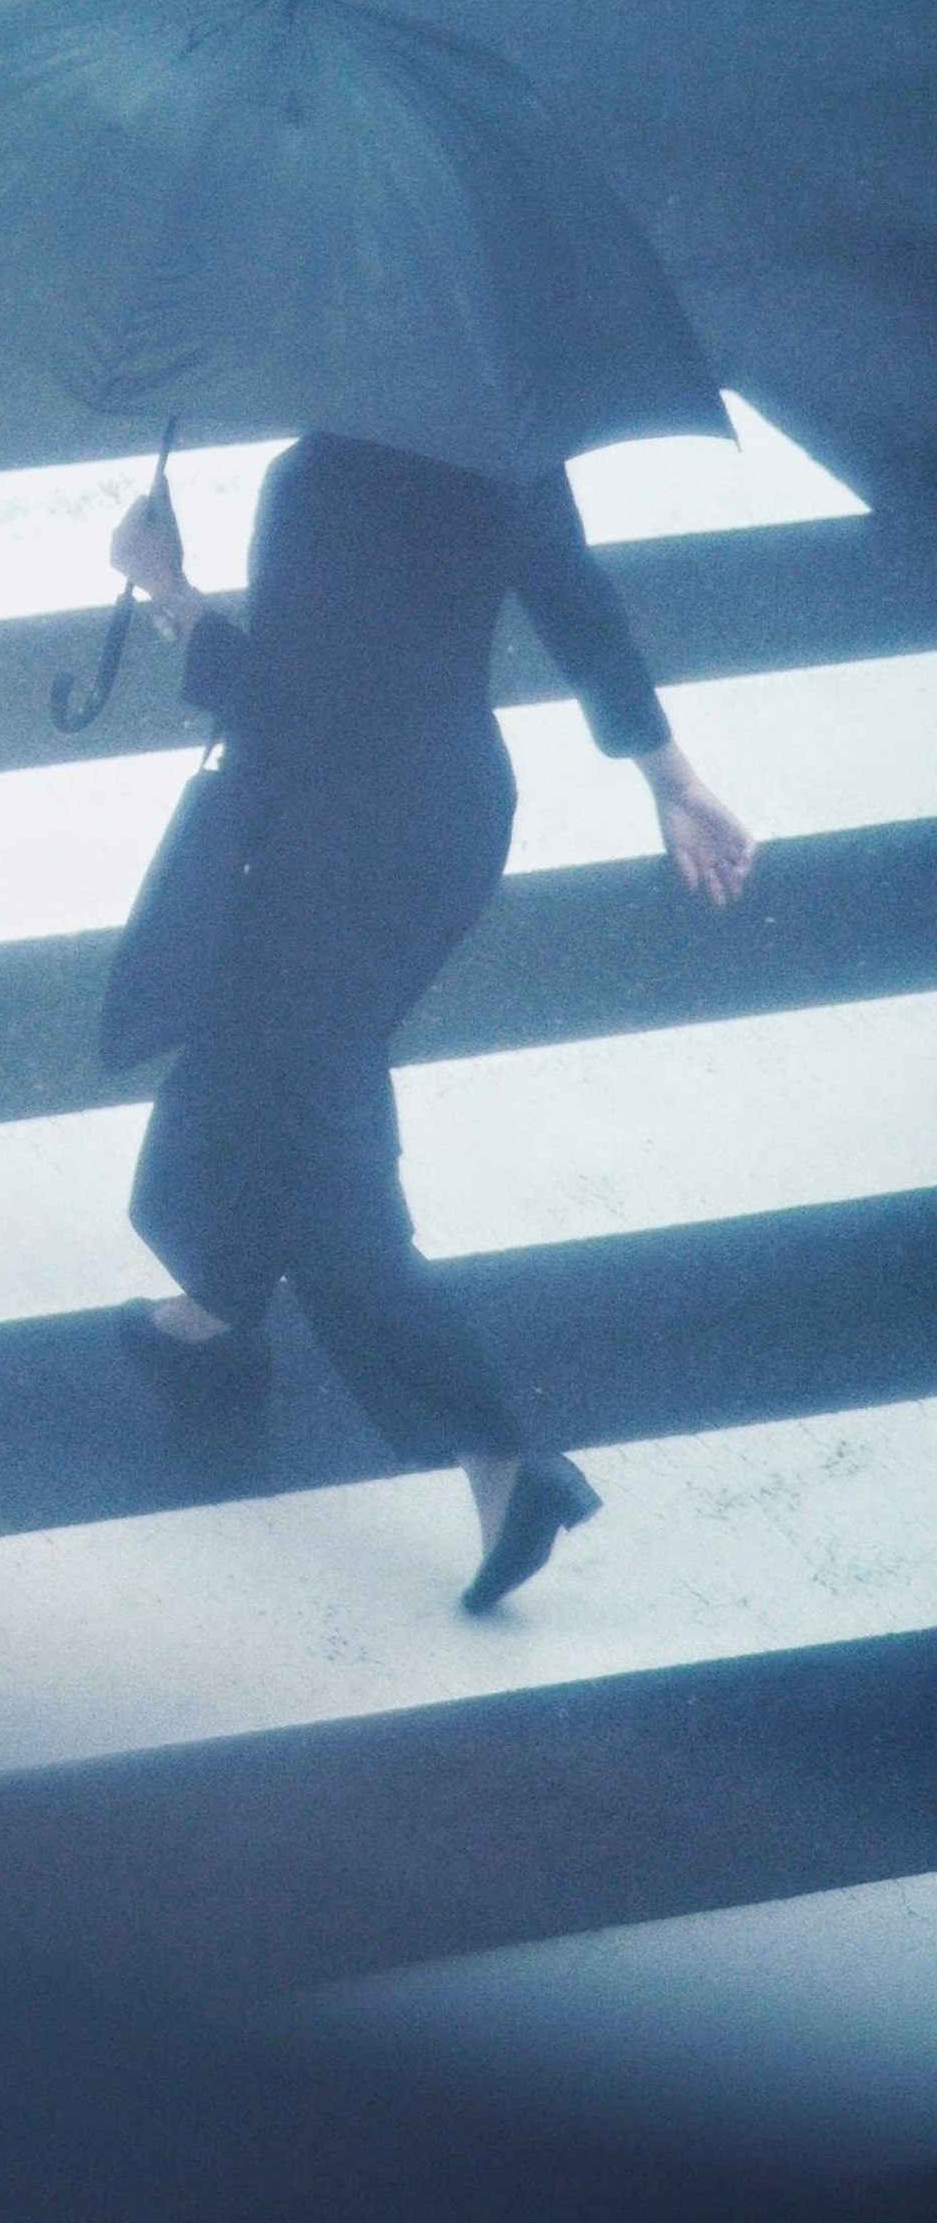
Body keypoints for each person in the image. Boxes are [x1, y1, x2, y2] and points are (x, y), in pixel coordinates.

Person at [101, 433, 756, 1610]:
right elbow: (573, 597)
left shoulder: (313, 483)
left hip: (329, 849)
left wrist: (169, 591)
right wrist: (670, 774)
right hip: (450, 819)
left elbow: (290, 712)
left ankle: (501, 1457)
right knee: (258, 1049)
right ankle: (220, 1300)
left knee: (321, 1137)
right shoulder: (501, 445)